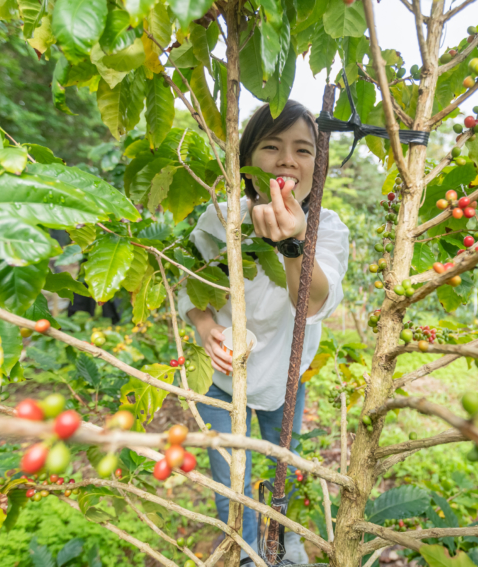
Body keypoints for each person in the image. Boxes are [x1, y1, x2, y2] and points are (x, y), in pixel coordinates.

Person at [176, 100, 349, 562]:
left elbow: (310, 299)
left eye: (303, 150)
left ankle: (281, 538)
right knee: (230, 477)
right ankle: (244, 549)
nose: (287, 159)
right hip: (218, 377)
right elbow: (193, 287)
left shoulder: (326, 230)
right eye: (271, 146)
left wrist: (295, 242)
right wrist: (206, 323)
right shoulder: (219, 219)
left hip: (284, 380)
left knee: (281, 468)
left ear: (320, 164)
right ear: (248, 163)